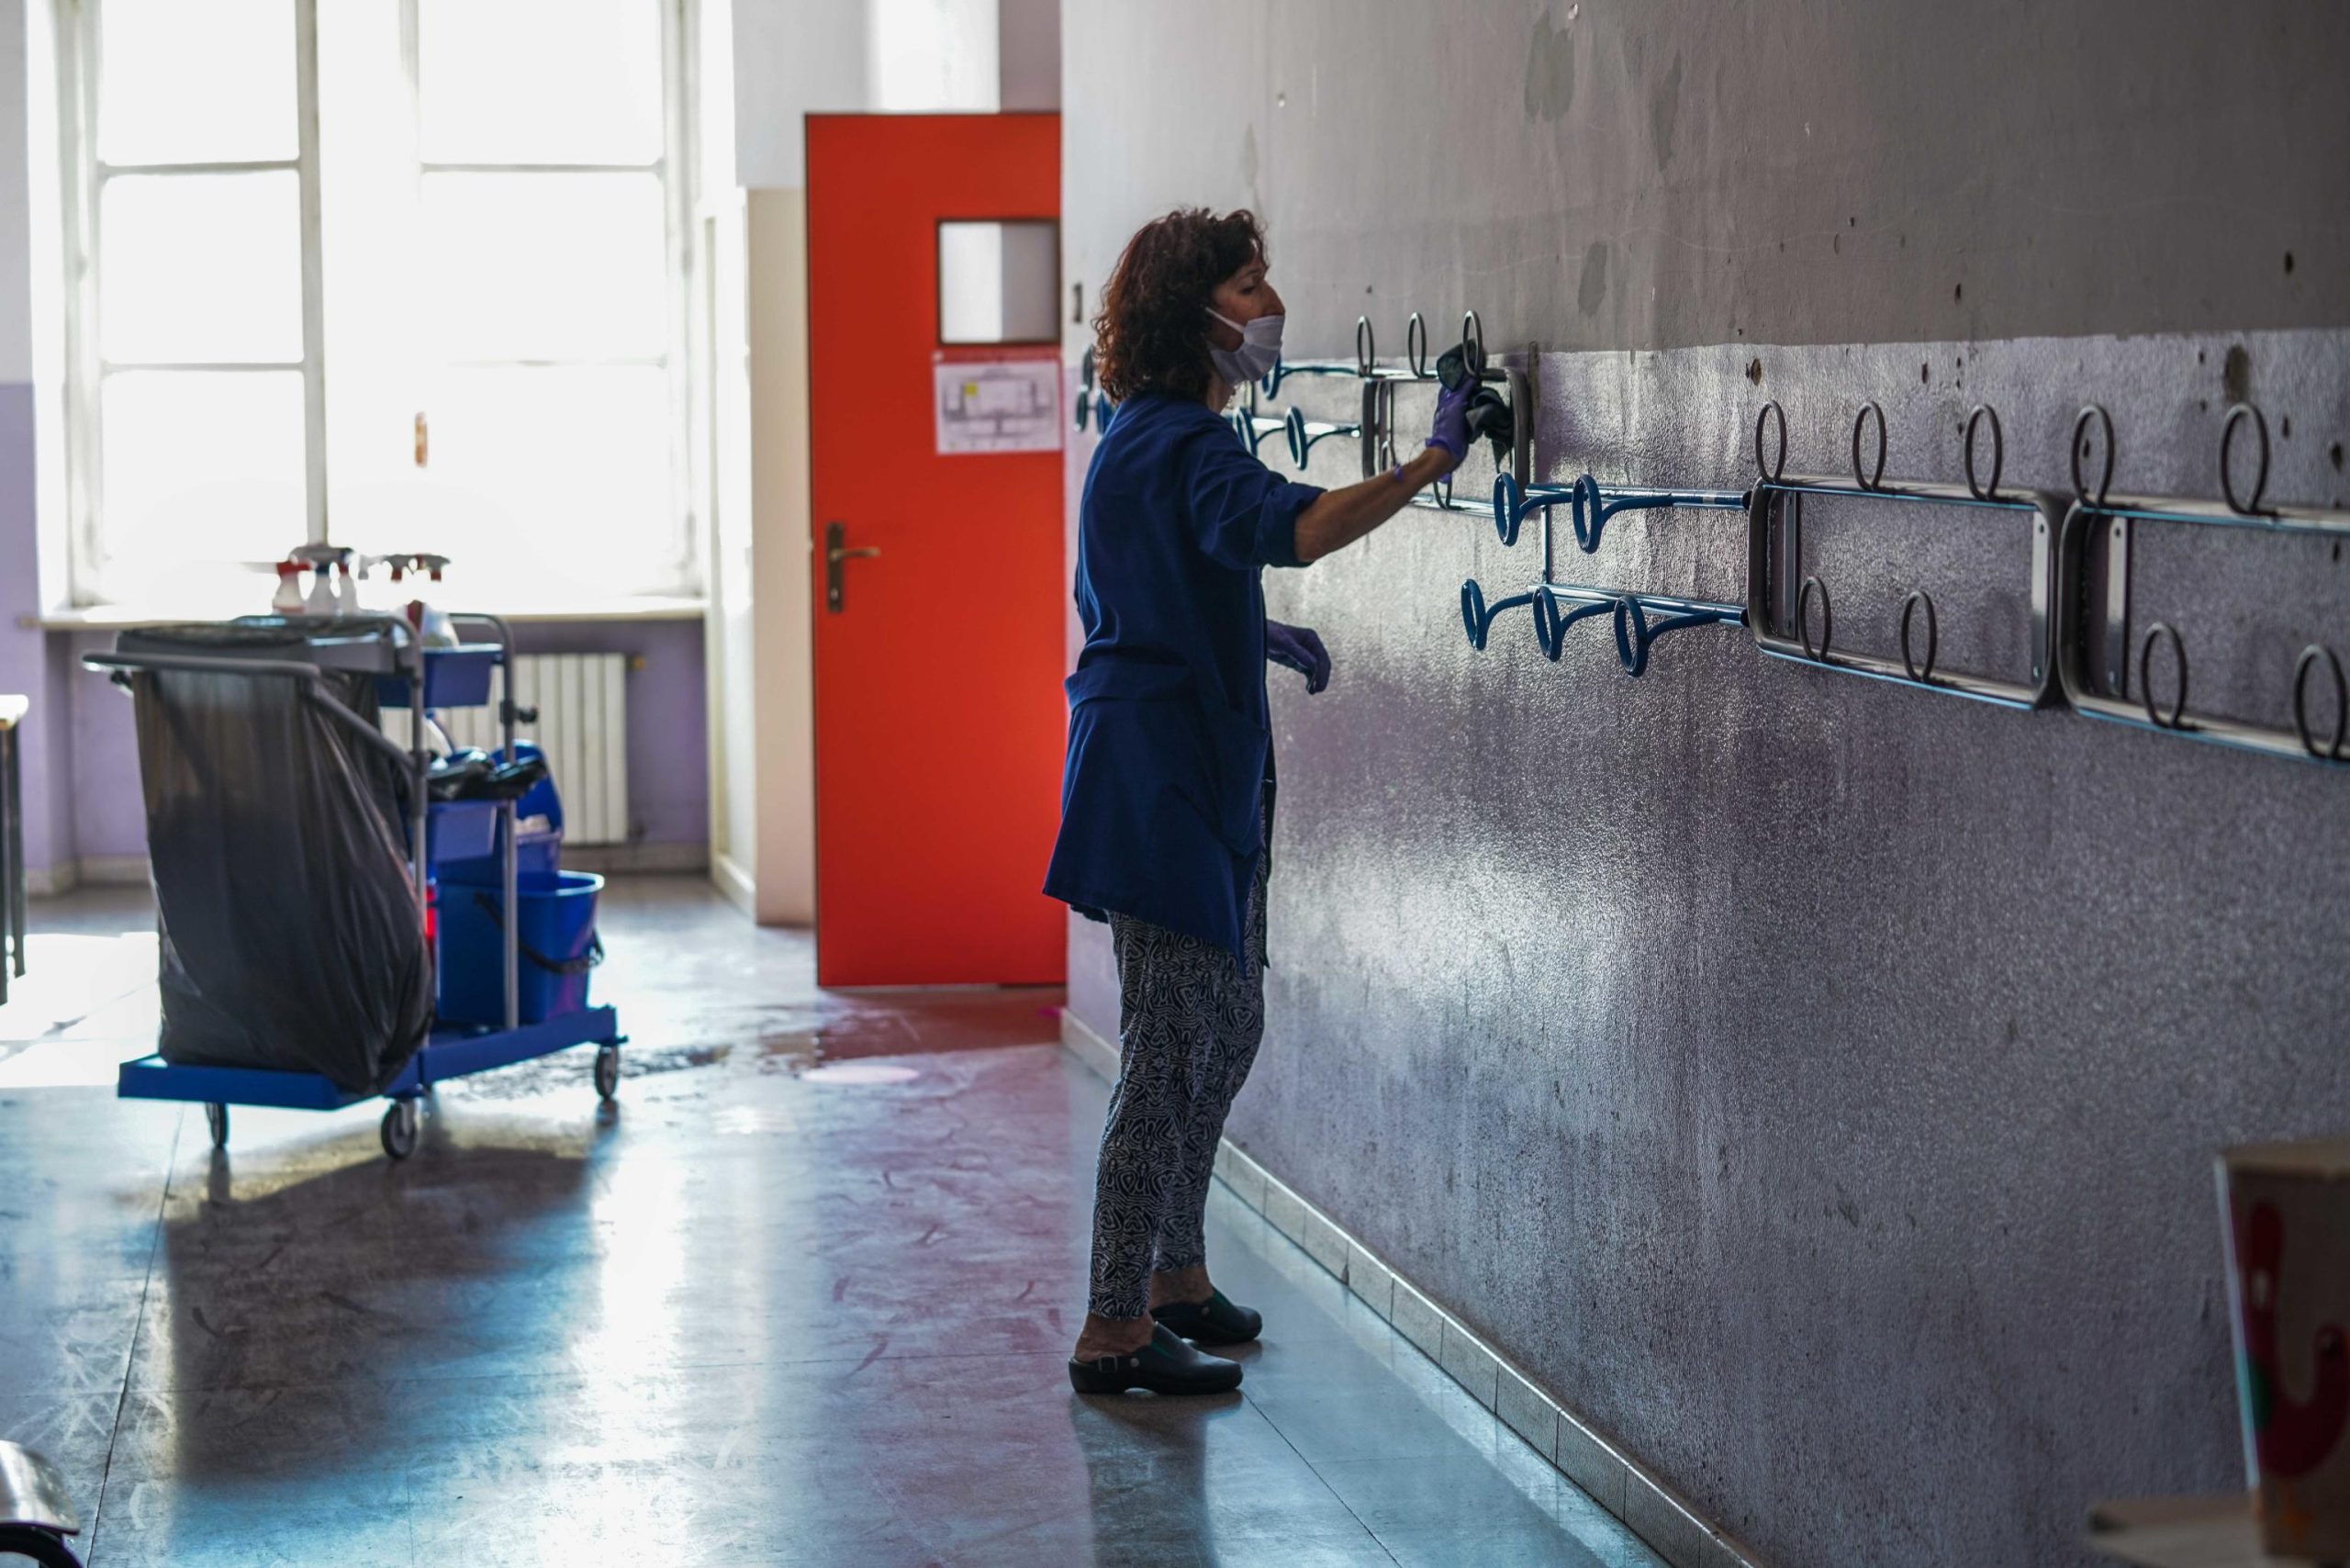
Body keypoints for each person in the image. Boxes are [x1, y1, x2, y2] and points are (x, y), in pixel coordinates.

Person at [1046, 208, 1474, 1395]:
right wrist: (1431, 461)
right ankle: (1113, 1326)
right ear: (1192, 315)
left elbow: (1141, 583)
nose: (1270, 304)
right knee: (1166, 1050)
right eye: (1247, 285)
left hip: (1204, 763)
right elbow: (1299, 526)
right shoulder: (1178, 442)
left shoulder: (1153, 437)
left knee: (1227, 1027)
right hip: (1162, 784)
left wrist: (1246, 629)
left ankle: (1176, 1272)